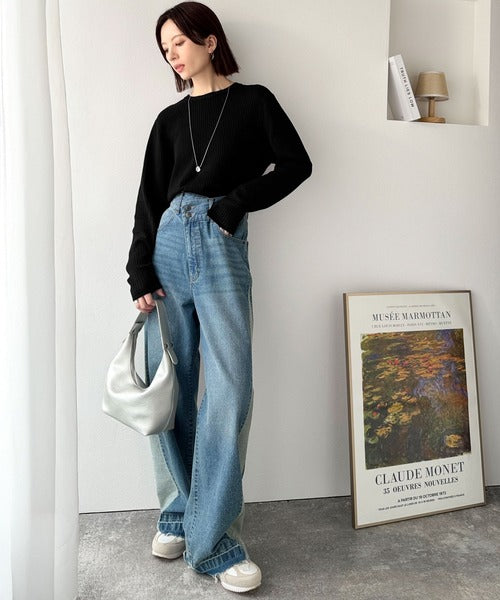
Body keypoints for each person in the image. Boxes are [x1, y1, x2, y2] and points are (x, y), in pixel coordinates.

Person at [125, 1, 312, 593]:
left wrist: (235, 204)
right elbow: (148, 200)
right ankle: (178, 513)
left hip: (221, 240)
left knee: (230, 389)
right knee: (170, 385)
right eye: (165, 49)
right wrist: (138, 270)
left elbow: (297, 164)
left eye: (179, 42)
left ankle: (216, 538)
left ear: (210, 41)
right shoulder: (167, 121)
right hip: (168, 244)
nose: (172, 55)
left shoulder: (254, 102)